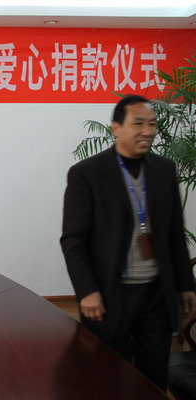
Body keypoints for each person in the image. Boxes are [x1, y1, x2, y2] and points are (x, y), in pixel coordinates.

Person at [60, 95, 196, 391]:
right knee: (106, 374)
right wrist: (87, 290)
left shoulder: (164, 170)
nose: (147, 131)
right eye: (138, 124)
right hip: (110, 294)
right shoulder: (87, 173)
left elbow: (175, 233)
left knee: (154, 373)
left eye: (152, 124)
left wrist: (186, 284)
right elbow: (74, 239)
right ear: (116, 128)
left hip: (156, 292)